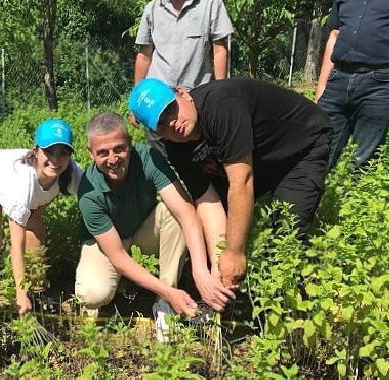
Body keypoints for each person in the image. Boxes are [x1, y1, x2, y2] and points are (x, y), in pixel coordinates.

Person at [128, 77, 330, 289]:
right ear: (156, 133)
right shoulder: (174, 147)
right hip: (253, 160)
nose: (171, 122)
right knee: (217, 243)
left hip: (299, 148)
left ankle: (300, 298)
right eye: (161, 123)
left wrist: (234, 252)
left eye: (170, 109)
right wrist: (219, 261)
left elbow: (242, 181)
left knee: (285, 234)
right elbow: (207, 200)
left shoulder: (221, 105)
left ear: (183, 94)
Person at [75, 112, 234, 340]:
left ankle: (164, 305)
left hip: (142, 231)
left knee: (175, 213)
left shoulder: (148, 157)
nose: (112, 159)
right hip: (107, 245)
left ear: (130, 144)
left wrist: (201, 272)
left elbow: (187, 213)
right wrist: (171, 292)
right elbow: (118, 255)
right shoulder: (89, 194)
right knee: (93, 294)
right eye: (102, 153)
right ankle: (164, 292)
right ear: (91, 154)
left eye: (119, 148)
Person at [0, 119, 83, 315]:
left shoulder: (72, 172)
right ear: (36, 151)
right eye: (49, 151)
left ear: (70, 155)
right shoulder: (22, 183)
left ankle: (35, 295)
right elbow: (16, 243)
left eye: (63, 153)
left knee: (35, 232)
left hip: (31, 194)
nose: (55, 160)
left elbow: (96, 196)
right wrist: (19, 294)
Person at [134, 0, 233, 157]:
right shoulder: (152, 9)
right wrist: (137, 100)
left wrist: (221, 93)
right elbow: (144, 55)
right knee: (162, 162)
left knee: (204, 160)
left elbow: (220, 50)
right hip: (156, 103)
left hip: (192, 104)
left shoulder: (211, 5)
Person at [316, 0, 389, 169]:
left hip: (379, 84)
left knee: (364, 160)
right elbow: (334, 35)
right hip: (338, 80)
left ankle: (357, 194)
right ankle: (312, 194)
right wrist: (321, 87)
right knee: (318, 150)